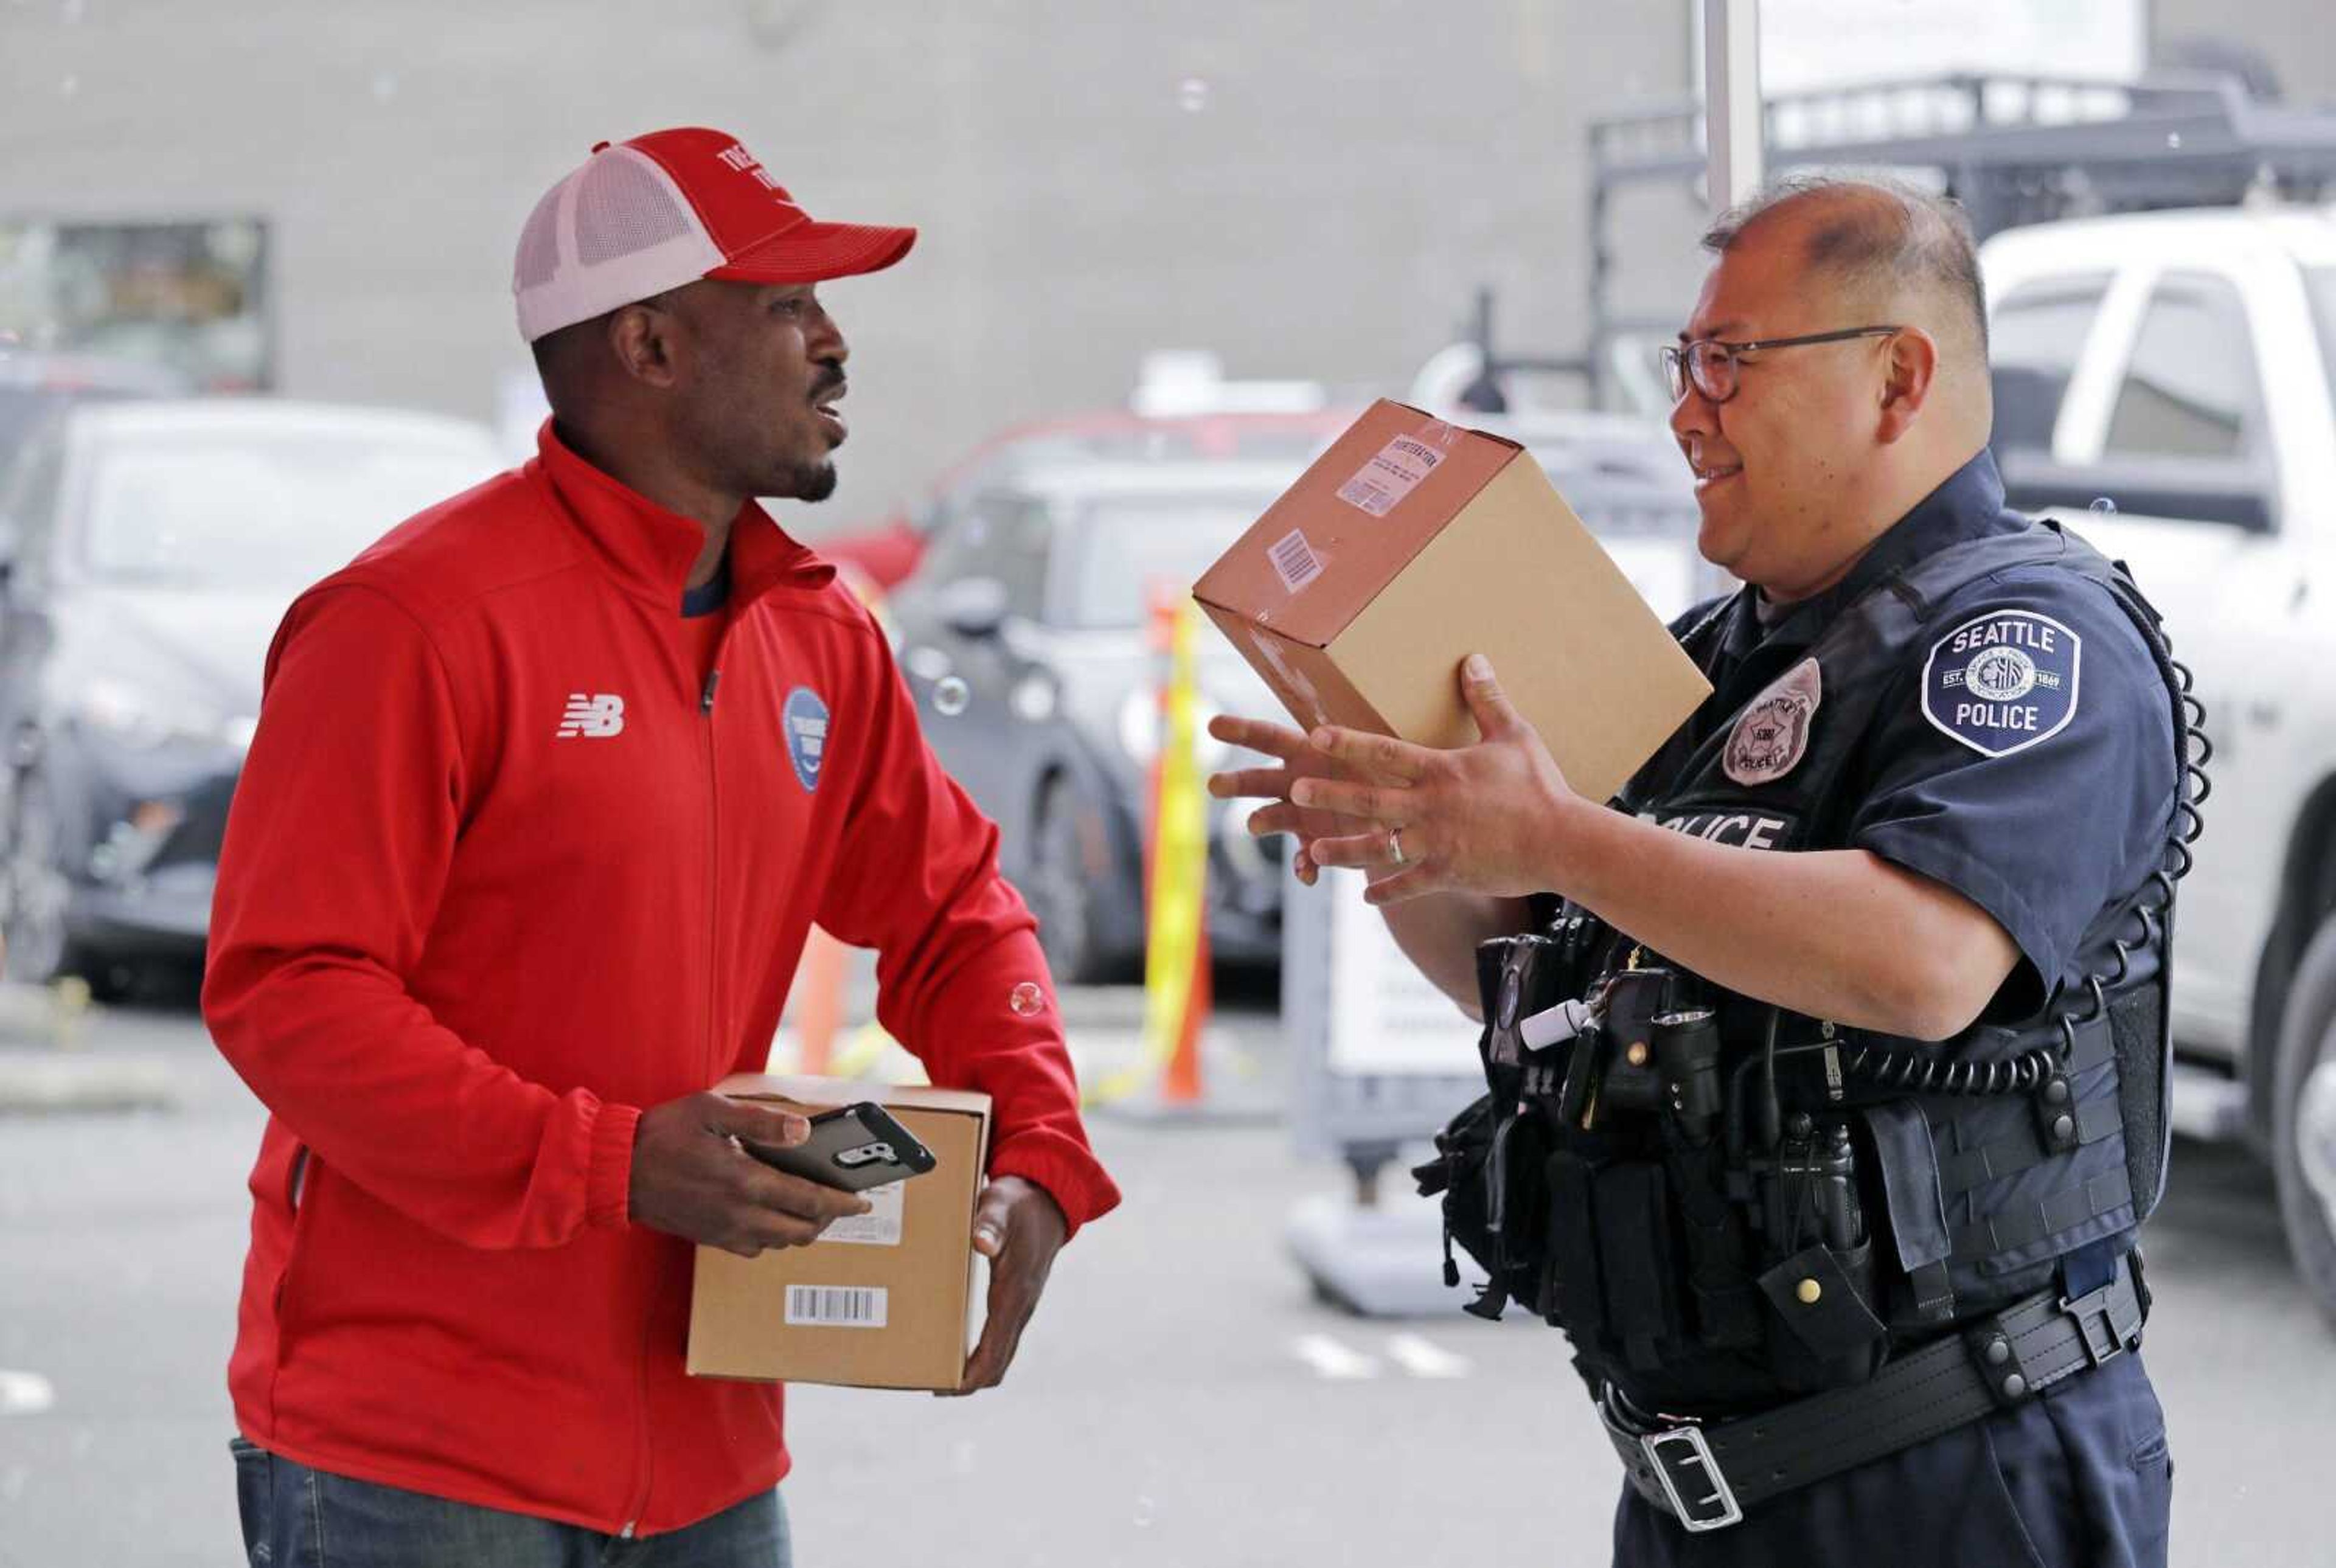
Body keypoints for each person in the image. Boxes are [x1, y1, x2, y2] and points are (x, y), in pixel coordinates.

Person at [1212, 175, 2195, 1567]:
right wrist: (1412, 838)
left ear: (1897, 378)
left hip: (1954, 1478)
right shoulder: (1720, 658)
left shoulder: (2028, 640)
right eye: (1685, 364)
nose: (1687, 410)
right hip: (1705, 1492)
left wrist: (1556, 831)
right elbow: (1548, 986)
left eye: (1729, 362)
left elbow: (1925, 961)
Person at [206, 127, 1120, 1566]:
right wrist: (610, 1161)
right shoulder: (409, 624)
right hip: (414, 1464)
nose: (834, 344)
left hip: (708, 1466)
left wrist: (1042, 1148)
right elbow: (290, 991)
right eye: (786, 305)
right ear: (648, 345)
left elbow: (953, 909)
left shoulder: (818, 633)